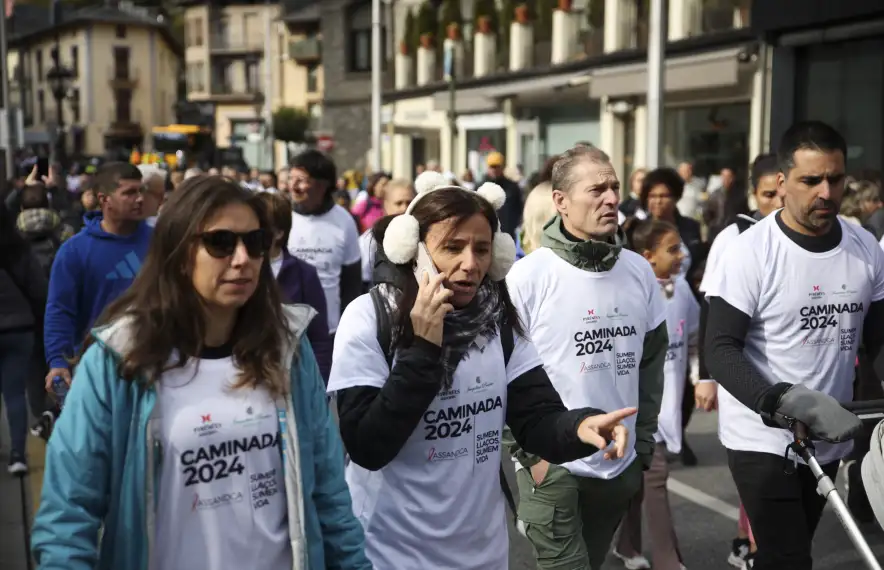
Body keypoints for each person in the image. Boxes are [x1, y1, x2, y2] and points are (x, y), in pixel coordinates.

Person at [31, 175, 372, 570]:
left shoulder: (287, 351)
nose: (243, 258)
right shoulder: (117, 363)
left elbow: (329, 493)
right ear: (178, 253)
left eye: (255, 242)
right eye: (221, 243)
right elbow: (67, 517)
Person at [328, 171, 638, 570]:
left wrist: (580, 427)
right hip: (389, 550)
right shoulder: (370, 316)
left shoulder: (497, 319)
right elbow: (368, 446)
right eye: (452, 247)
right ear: (415, 250)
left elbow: (537, 418)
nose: (469, 264)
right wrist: (423, 349)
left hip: (482, 552)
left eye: (482, 249)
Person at [705, 121, 882, 570]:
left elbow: (879, 340)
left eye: (835, 179)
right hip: (762, 436)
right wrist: (779, 401)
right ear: (782, 183)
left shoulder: (865, 248)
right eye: (811, 180)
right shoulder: (751, 252)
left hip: (829, 432)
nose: (826, 192)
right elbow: (720, 350)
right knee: (789, 558)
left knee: (788, 551)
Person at [503, 146, 667, 570]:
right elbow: (498, 371)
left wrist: (642, 448)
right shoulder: (528, 276)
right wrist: (531, 458)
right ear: (560, 201)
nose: (611, 198)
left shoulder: (638, 271)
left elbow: (652, 365)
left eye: (614, 187)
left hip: (618, 466)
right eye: (597, 189)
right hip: (554, 468)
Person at [696, 152, 781, 569]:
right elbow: (710, 307)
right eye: (768, 195)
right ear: (753, 194)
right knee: (759, 466)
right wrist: (706, 377)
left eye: (782, 193)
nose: (777, 203)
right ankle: (751, 544)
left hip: (787, 383)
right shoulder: (736, 236)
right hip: (743, 376)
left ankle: (750, 540)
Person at [614, 218, 703, 570]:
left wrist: (699, 377)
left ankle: (627, 542)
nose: (681, 255)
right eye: (672, 249)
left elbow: (694, 335)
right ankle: (669, 558)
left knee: (641, 477)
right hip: (639, 406)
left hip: (671, 404)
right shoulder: (629, 292)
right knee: (655, 475)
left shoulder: (681, 289)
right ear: (648, 256)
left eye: (680, 247)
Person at [43, 162, 152, 392]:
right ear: (104, 200)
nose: (140, 198)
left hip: (153, 363)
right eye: (129, 193)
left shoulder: (160, 242)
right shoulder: (75, 251)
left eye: (141, 190)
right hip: (97, 368)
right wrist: (57, 362)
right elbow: (60, 310)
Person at [257, 192, 333, 382]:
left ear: (279, 232)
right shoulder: (240, 268)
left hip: (295, 379)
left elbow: (319, 337)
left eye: (261, 225)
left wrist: (319, 384)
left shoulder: (304, 274)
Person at [286, 150, 362, 338]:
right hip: (286, 331)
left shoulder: (344, 221)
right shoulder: (280, 217)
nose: (293, 186)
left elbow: (351, 284)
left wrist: (348, 329)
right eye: (291, 178)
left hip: (329, 333)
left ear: (322, 185)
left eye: (301, 179)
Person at [0, 199, 48, 474]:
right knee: (15, 394)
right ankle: (18, 455)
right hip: (20, 329)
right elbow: (38, 290)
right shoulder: (20, 249)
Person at [358, 178, 415, 290]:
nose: (404, 208)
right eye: (399, 203)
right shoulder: (370, 239)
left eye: (409, 202)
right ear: (386, 205)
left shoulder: (425, 235)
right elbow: (364, 280)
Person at [483, 151, 524, 239]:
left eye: (497, 166)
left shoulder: (512, 187)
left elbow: (519, 208)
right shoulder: (480, 187)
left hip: (507, 234)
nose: (494, 170)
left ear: (503, 167)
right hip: (486, 234)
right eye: (492, 167)